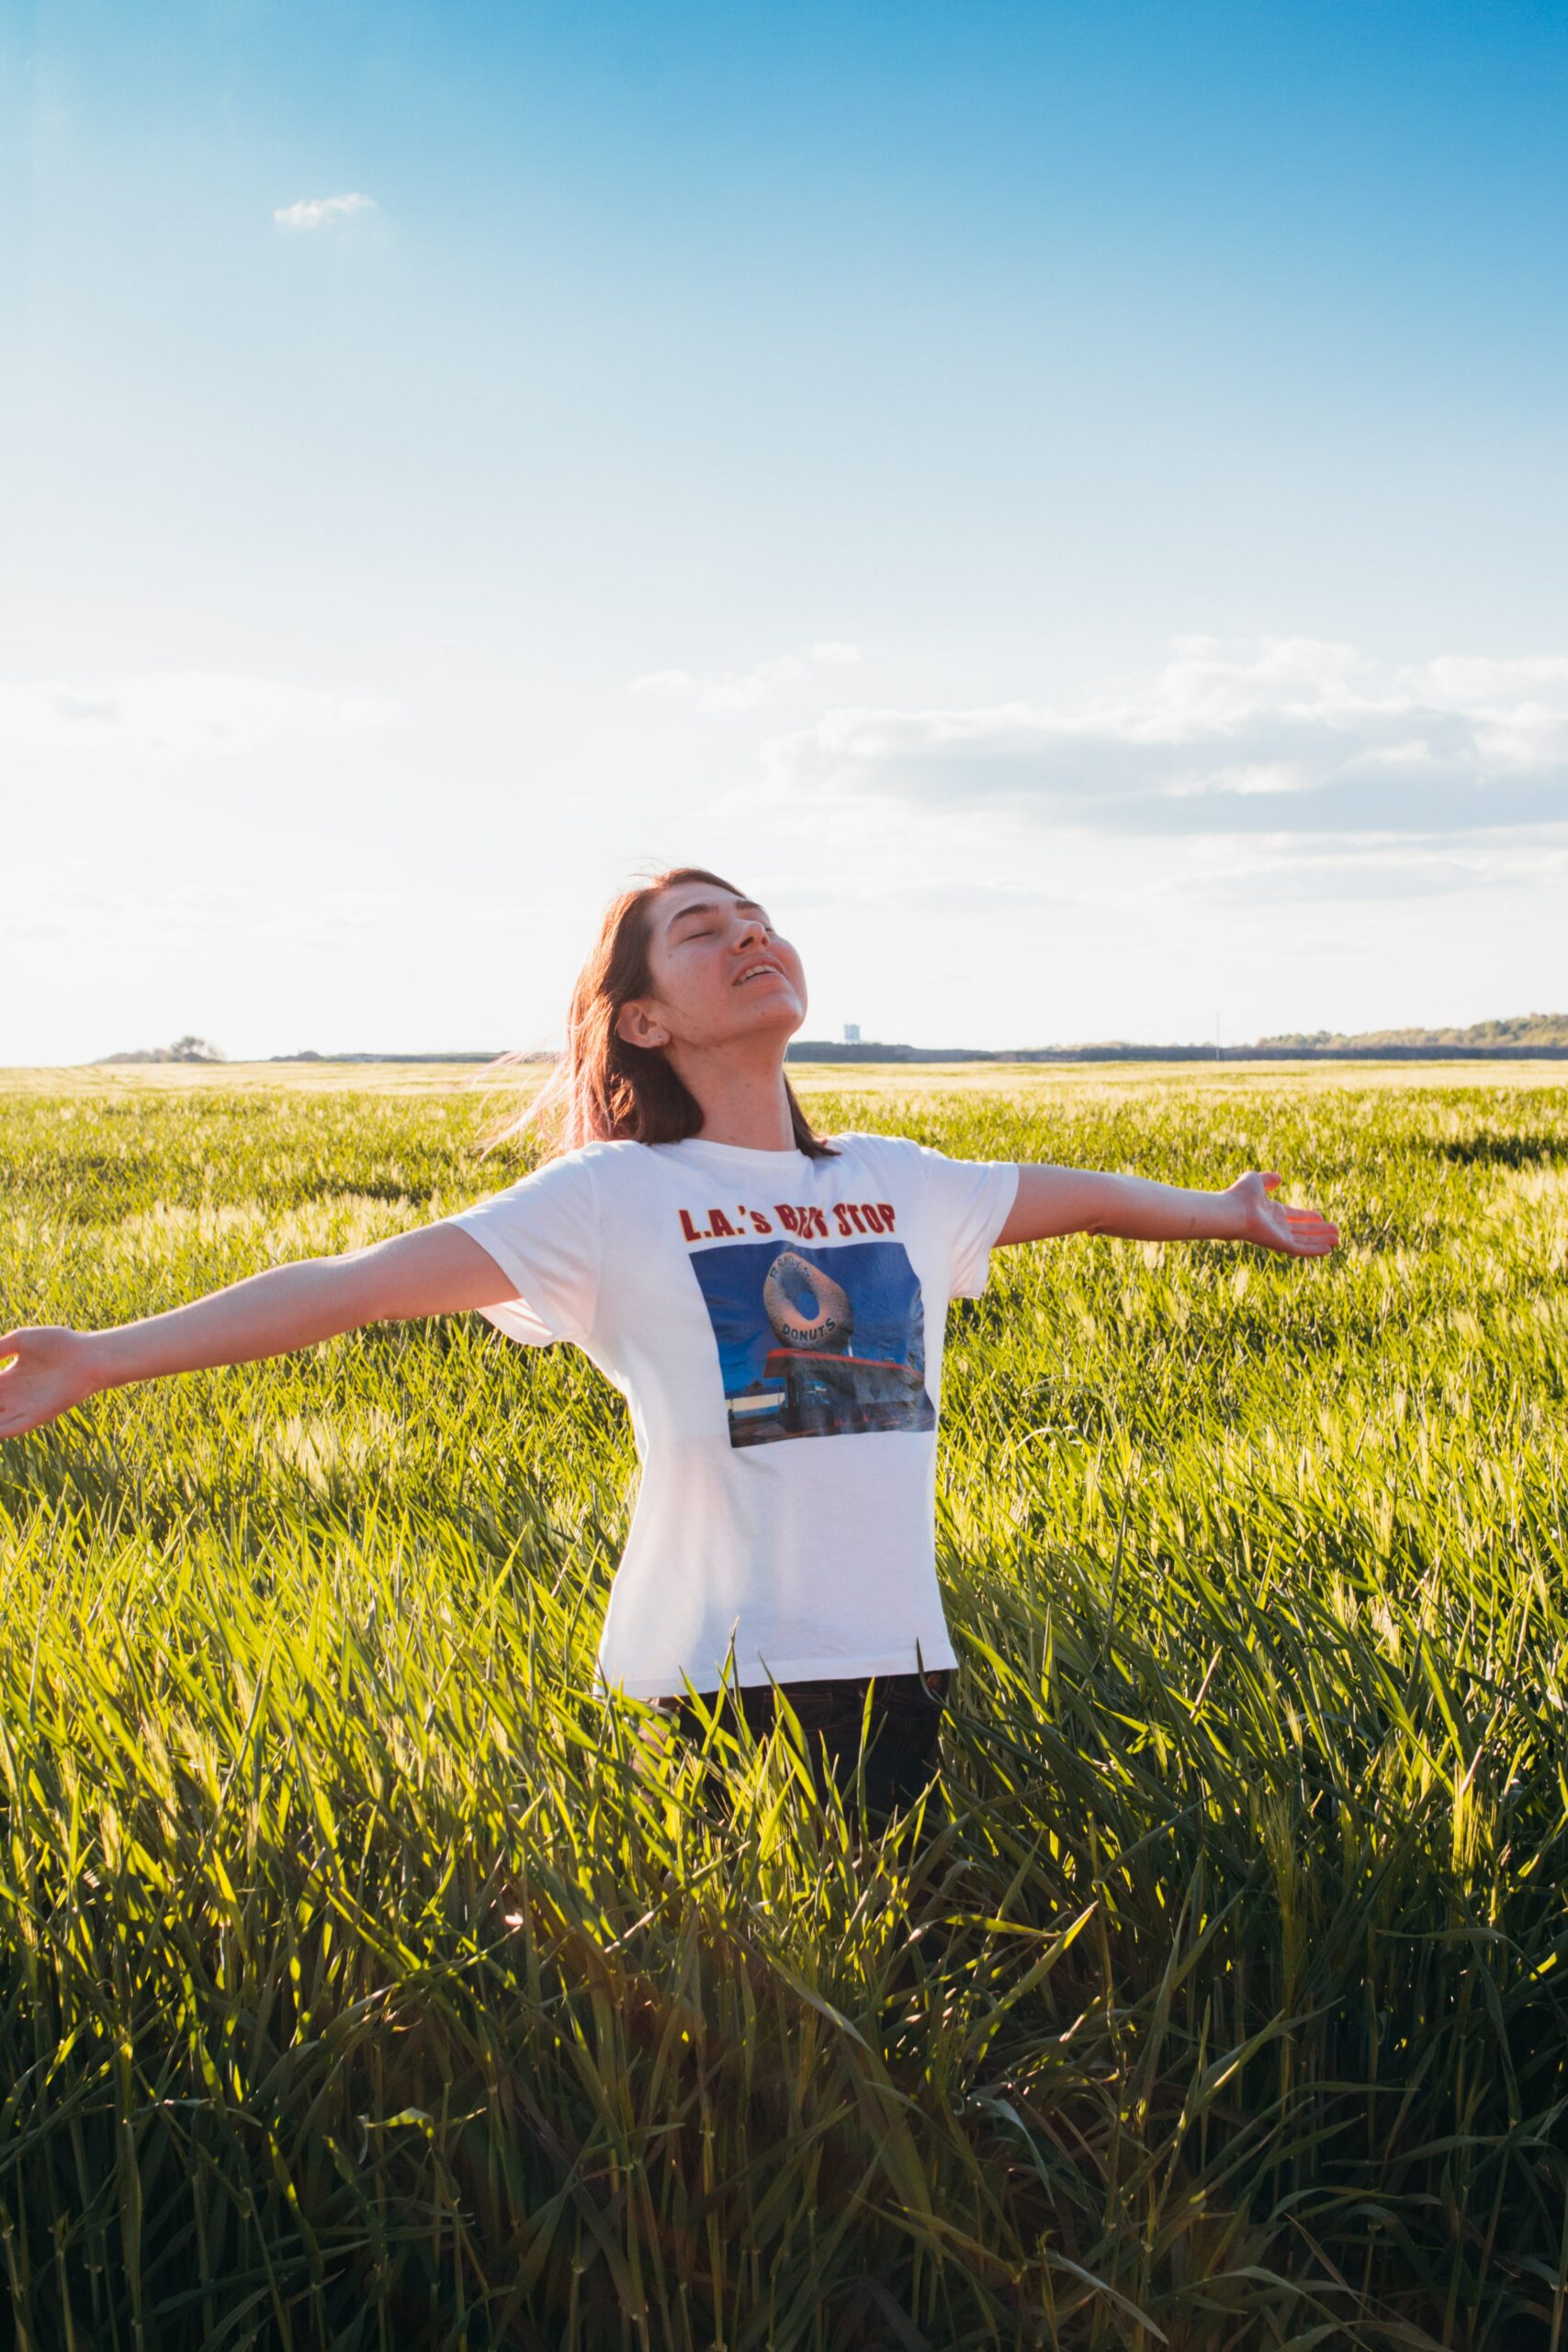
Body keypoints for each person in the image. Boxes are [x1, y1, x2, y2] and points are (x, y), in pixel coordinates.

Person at [0, 866, 1338, 1817]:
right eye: (704, 931)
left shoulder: (898, 1177)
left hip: (900, 1667)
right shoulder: (612, 1198)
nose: (751, 934)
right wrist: (106, 1354)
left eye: (759, 919)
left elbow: (1084, 1196)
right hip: (712, 1685)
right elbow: (357, 1284)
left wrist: (1227, 1215)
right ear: (641, 1018)